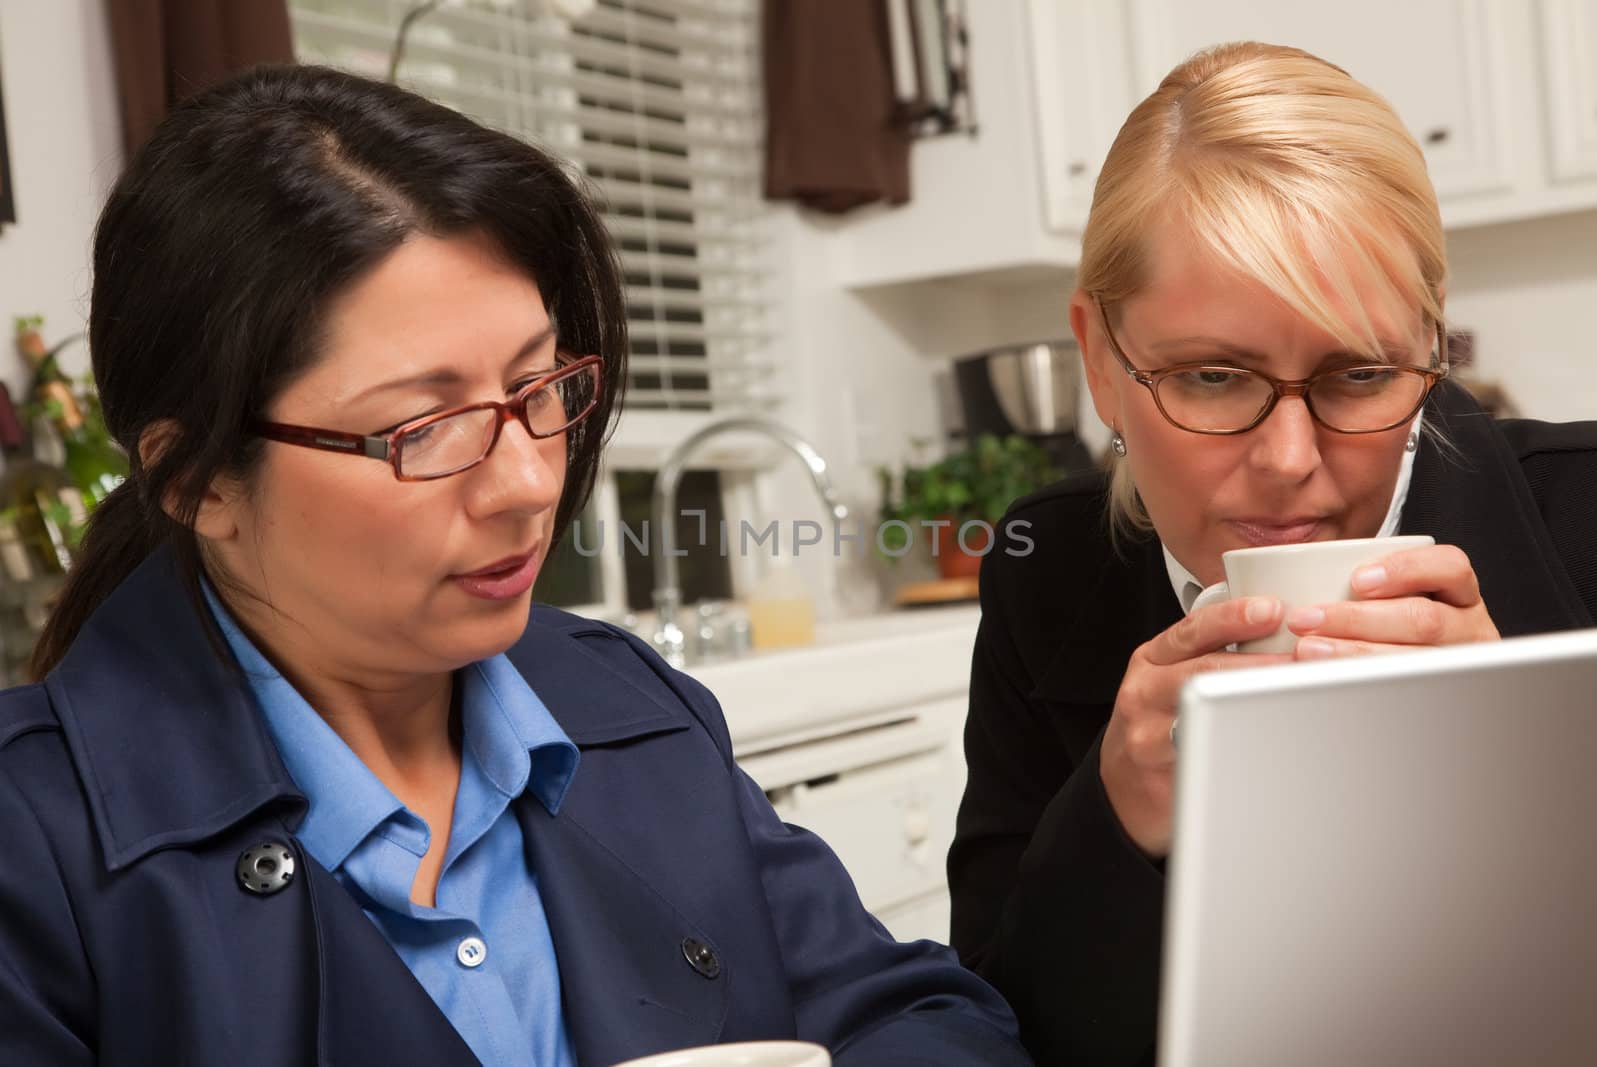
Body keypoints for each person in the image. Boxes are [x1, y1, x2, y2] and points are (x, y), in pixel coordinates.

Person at [0, 64, 1033, 1067]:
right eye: (426, 425)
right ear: (197, 478)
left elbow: (912, 1007)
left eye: (540, 388)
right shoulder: (33, 842)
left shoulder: (628, 706)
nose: (529, 484)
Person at [947, 41, 1597, 1067]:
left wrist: (1529, 772)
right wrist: (1109, 821)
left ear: (1430, 345)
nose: (1291, 461)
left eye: (1361, 373)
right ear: (1101, 363)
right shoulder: (1047, 571)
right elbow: (991, 1023)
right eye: (1211, 377)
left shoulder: (1584, 512)